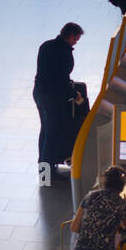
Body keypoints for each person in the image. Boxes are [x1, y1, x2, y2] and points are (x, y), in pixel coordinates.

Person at [33, 22, 86, 179]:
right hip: (52, 98)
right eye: (76, 38)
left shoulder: (46, 45)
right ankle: (46, 173)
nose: (76, 42)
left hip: (39, 93)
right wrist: (74, 95)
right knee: (51, 133)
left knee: (45, 130)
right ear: (70, 36)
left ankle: (42, 167)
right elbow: (61, 80)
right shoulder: (65, 53)